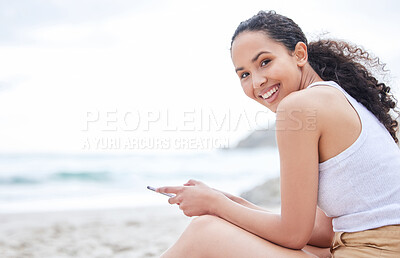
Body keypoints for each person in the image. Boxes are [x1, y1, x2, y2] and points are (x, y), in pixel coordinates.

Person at [156, 10, 400, 257]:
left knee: (205, 232)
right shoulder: (332, 98)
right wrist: (229, 202)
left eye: (264, 62)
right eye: (244, 74)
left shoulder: (299, 108)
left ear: (300, 54)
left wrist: (214, 205)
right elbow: (321, 233)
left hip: (377, 251)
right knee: (220, 226)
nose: (257, 81)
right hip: (373, 247)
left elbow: (293, 235)